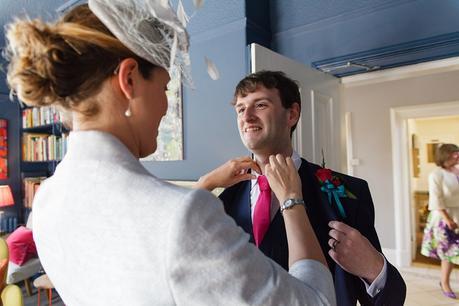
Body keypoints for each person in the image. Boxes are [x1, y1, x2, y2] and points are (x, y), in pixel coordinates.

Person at [4, 2, 336, 306]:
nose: (165, 106)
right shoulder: (183, 217)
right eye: (165, 88)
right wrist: (292, 201)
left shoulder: (46, 201)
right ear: (129, 79)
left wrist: (203, 185)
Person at [204, 70, 406, 306]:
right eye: (240, 109)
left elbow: (391, 299)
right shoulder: (223, 200)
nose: (246, 117)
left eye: (260, 105)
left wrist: (374, 268)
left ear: (292, 114)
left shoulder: (349, 193)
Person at [421, 143, 459, 299]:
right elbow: (436, 199)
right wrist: (448, 220)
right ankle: (444, 283)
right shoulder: (436, 175)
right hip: (444, 217)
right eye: (454, 153)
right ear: (445, 156)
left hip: (458, 213)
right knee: (448, 253)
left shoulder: (457, 171)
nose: (457, 155)